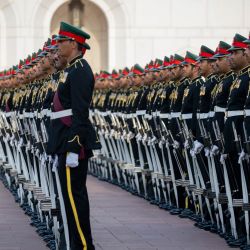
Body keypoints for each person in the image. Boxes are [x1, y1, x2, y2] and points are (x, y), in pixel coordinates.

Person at [47, 21, 101, 250]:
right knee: (69, 200)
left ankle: (83, 246)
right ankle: (74, 243)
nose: (58, 46)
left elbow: (80, 113)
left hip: (71, 142)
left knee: (74, 199)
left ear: (73, 43)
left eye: (61, 41)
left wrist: (73, 145)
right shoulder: (71, 69)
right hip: (63, 140)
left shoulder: (80, 71)